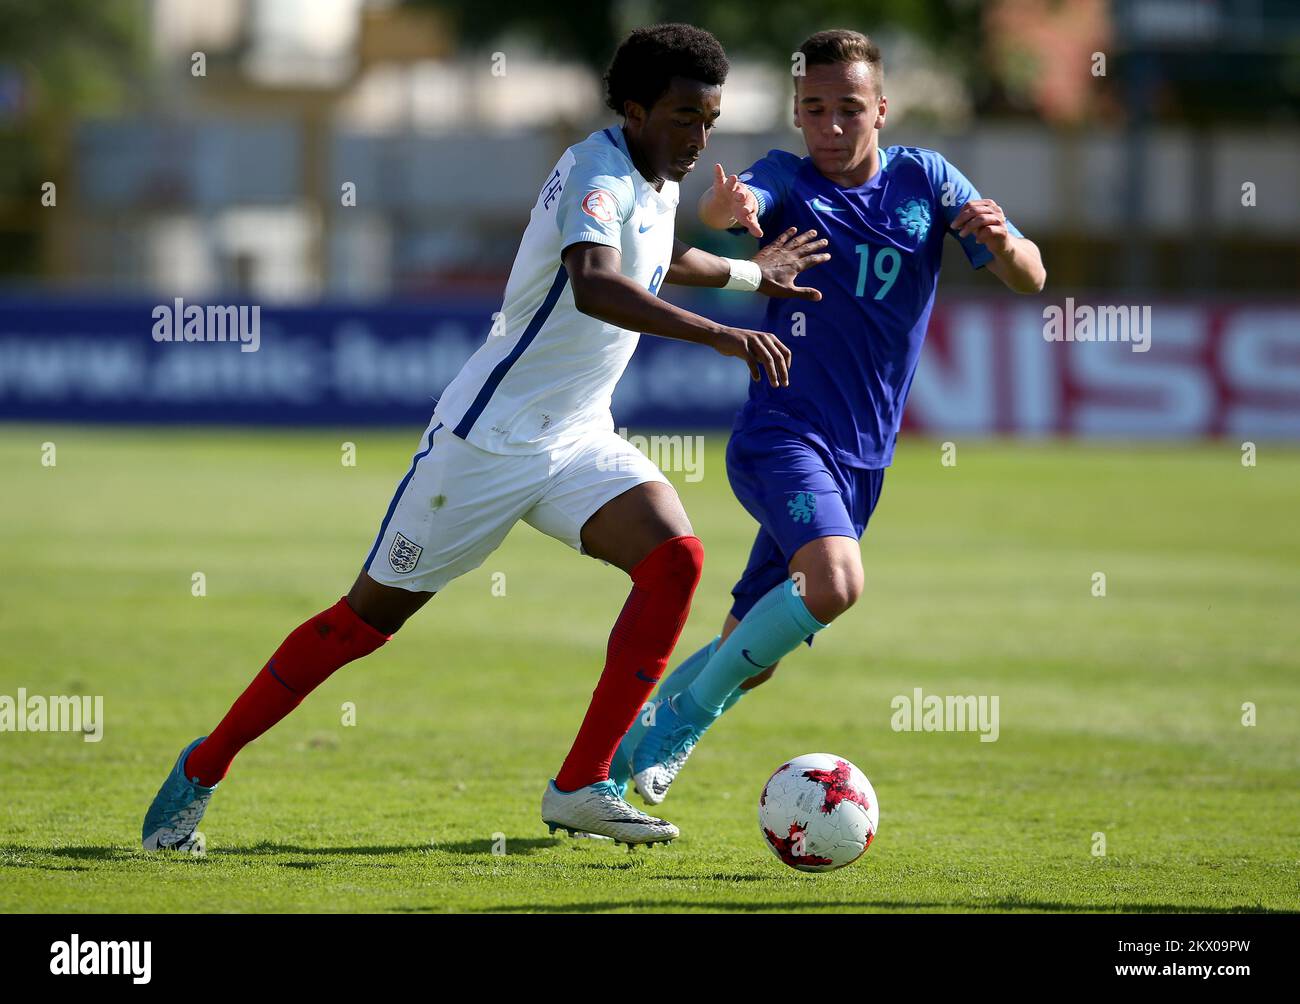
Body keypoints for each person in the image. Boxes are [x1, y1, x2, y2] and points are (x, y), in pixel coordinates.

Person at [142, 23, 828, 850]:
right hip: (484, 446)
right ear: (636, 108)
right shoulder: (595, 171)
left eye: (711, 119)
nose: (700, 136)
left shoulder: (655, 177)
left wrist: (752, 273)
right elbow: (597, 284)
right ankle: (202, 767)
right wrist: (720, 334)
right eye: (686, 117)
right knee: (360, 625)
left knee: (674, 559)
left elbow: (657, 257)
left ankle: (580, 785)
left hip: (577, 440)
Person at [618, 27, 1046, 805]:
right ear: (796, 112)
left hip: (862, 460)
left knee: (755, 646)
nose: (832, 126)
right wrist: (729, 205)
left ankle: (613, 766)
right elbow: (728, 203)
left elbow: (1031, 273)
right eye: (814, 109)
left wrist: (1003, 244)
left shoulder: (928, 180)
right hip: (781, 435)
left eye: (849, 108)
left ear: (881, 109)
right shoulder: (784, 178)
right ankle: (681, 724)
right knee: (836, 581)